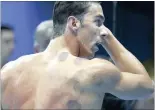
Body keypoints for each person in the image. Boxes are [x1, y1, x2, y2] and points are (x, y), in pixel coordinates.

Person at [1, 2, 154, 109]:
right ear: (74, 23)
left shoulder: (7, 73)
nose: (102, 32)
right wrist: (109, 38)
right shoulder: (93, 72)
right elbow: (147, 87)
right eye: (98, 22)